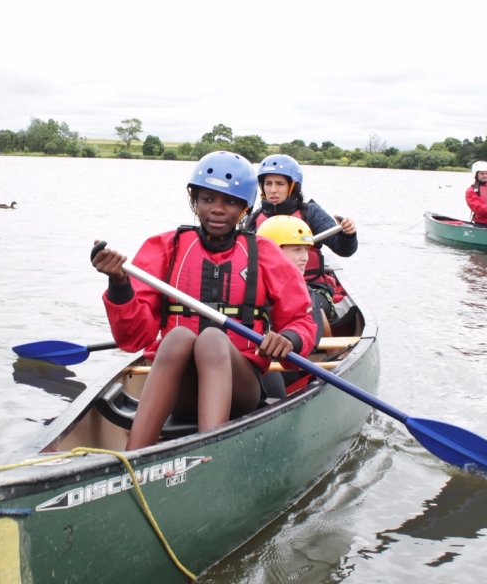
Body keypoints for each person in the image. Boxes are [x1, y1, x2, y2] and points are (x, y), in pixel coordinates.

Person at [91, 151, 317, 450]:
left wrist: (288, 338)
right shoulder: (164, 248)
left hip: (241, 387)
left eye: (230, 201)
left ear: (245, 207)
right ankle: (132, 459)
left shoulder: (265, 253)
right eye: (208, 199)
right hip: (180, 391)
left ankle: (210, 455)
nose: (218, 210)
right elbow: (133, 339)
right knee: (178, 337)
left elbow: (302, 320)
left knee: (211, 339)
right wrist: (119, 284)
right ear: (194, 200)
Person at [250, 154, 358, 286]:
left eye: (280, 184)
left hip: (310, 285)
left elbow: (344, 249)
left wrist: (347, 235)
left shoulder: (309, 213)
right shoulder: (255, 218)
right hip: (270, 286)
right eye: (268, 183)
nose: (273, 190)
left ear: (292, 187)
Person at [257, 215, 333, 347]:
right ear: (272, 251)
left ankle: (333, 353)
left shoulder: (305, 292)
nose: (305, 258)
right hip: (252, 353)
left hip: (289, 353)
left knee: (317, 310)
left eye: (306, 250)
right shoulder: (248, 284)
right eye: (297, 250)